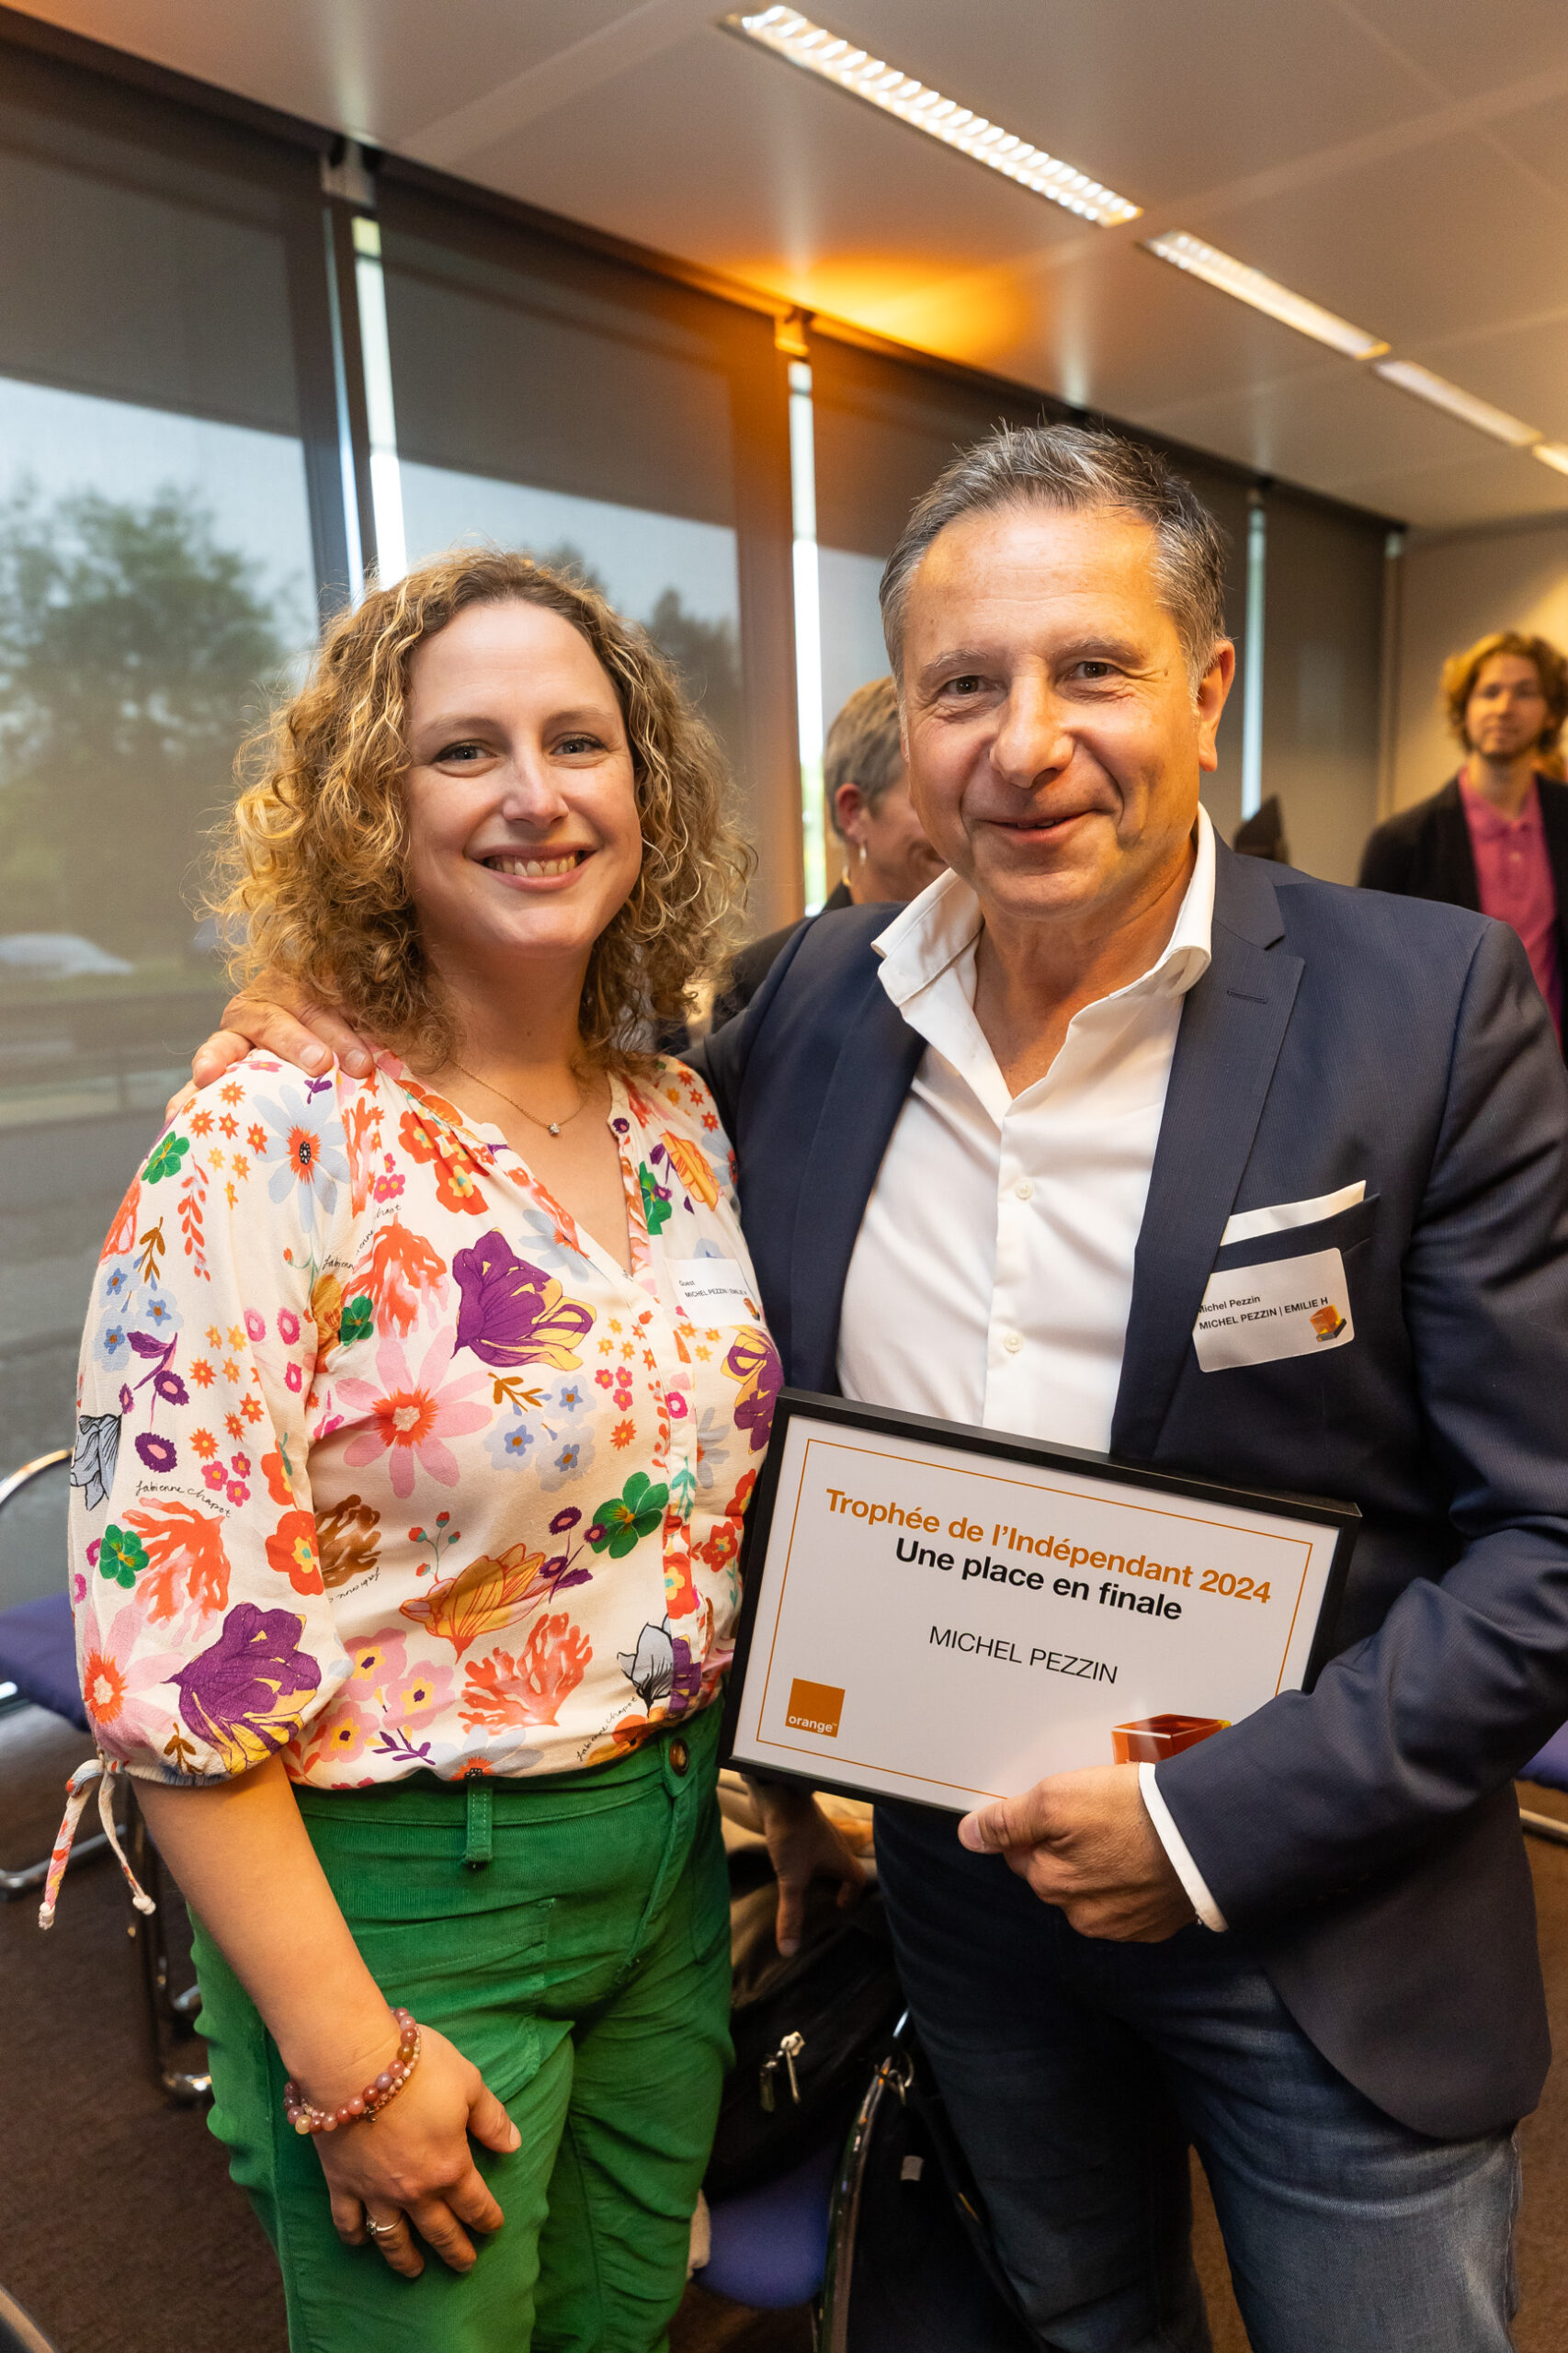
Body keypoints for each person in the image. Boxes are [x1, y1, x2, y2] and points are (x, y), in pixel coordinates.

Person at [188, 426, 1568, 2352]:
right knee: (1076, 2314)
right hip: (968, 1895)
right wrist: (354, 1013)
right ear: (903, 730)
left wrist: (1198, 1825)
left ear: (1207, 684)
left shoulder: (1423, 1008)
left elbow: (1548, 1545)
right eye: (963, 686)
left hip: (1314, 1908)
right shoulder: (810, 1012)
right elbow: (554, 1114)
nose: (1027, 741)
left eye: (1091, 668)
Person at [60, 549, 858, 2353]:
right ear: (370, 804)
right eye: (462, 750)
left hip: (669, 1856)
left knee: (623, 2316)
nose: (533, 793)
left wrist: (784, 1790)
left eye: (578, 740)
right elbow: (170, 1664)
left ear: (641, 788)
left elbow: (687, 1513)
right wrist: (344, 2054)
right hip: (406, 1889)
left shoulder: (674, 1114)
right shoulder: (272, 1128)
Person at [1358, 628, 1568, 1048]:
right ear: (1465, 710)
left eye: (1525, 692)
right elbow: (1370, 981)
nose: (1505, 707)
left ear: (1550, 713)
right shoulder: (1402, 843)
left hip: (1555, 1076)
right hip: (1450, 1077)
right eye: (1489, 692)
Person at [708, 673, 943, 1027]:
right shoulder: (767, 982)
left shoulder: (1009, 964)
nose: (955, 823)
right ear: (854, 813)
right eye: (927, 802)